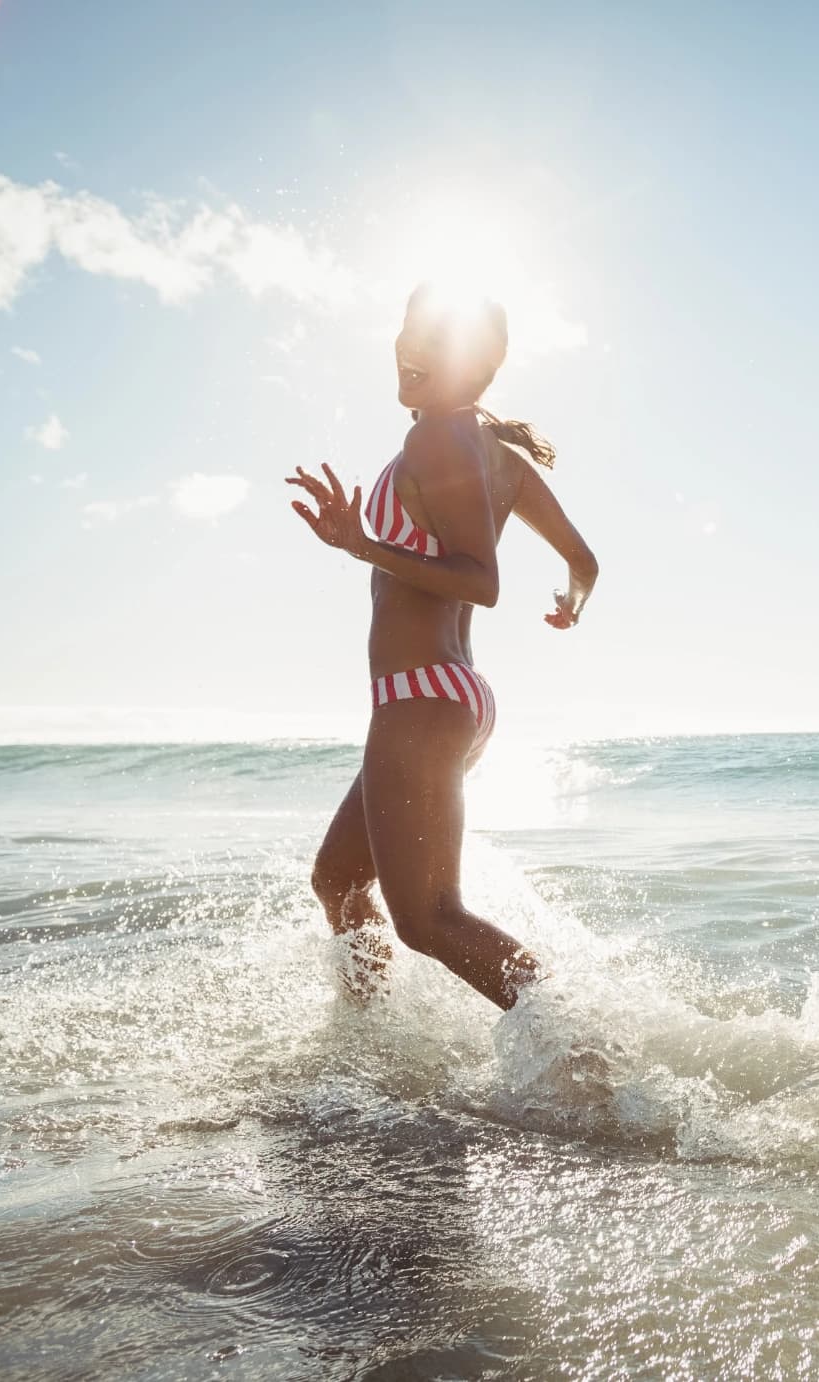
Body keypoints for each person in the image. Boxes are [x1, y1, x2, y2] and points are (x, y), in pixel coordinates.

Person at [287, 284, 598, 1007]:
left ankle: (578, 1038)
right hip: (449, 695)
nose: (411, 347)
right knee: (338, 879)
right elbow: (584, 563)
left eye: (437, 338)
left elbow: (479, 581)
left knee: (428, 919)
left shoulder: (437, 439)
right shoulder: (497, 456)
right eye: (408, 329)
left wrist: (363, 544)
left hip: (422, 694)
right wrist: (571, 605)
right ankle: (368, 1034)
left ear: (480, 370)